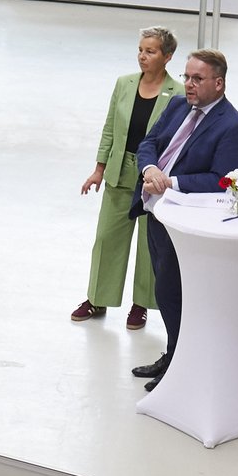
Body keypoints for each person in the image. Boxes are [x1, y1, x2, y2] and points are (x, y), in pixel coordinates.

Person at [128, 49, 238, 392]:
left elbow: (222, 179)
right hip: (155, 210)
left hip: (185, 222)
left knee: (176, 293)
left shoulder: (232, 126)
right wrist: (151, 170)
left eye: (197, 79)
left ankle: (181, 364)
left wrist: (171, 182)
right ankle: (173, 354)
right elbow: (149, 141)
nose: (189, 85)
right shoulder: (178, 105)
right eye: (187, 77)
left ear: (219, 83)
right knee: (164, 290)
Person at [73, 27, 183, 331]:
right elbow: (110, 127)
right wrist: (99, 169)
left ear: (168, 56)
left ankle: (141, 304)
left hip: (153, 179)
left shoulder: (178, 94)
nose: (142, 56)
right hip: (120, 171)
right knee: (107, 238)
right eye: (140, 49)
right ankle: (97, 298)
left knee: (151, 246)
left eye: (150, 51)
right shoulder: (124, 84)